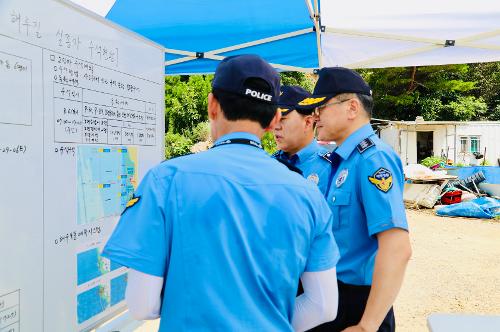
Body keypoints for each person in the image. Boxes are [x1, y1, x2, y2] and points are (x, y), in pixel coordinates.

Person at [102, 55, 341, 332]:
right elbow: (323, 306)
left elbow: (142, 305)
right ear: (274, 118)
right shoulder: (307, 194)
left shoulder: (165, 180)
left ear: (212, 105)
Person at [297, 67, 412, 332]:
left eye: (321, 107)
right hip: (330, 296)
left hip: (357, 304)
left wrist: (366, 326)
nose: (315, 116)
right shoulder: (340, 160)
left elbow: (397, 248)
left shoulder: (373, 159)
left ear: (351, 108)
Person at [273, 85, 333, 194]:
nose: (276, 126)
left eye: (282, 119)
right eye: (274, 119)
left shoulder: (330, 167)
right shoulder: (270, 162)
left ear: (308, 123)